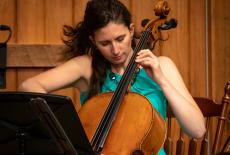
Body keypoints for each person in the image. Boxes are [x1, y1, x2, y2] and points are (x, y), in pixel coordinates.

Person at [18, 0, 206, 154]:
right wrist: (68, 132)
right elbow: (28, 86)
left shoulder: (162, 65)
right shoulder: (86, 67)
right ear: (93, 40)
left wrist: (161, 79)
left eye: (120, 39)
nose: (115, 50)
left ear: (131, 30)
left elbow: (197, 130)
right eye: (105, 43)